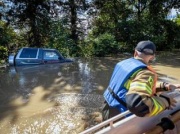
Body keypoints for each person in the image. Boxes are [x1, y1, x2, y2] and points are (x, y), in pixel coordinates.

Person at [102, 40, 180, 121]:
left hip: (107, 106)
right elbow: (139, 105)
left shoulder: (122, 64)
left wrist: (164, 86)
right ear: (153, 57)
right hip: (121, 114)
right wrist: (165, 102)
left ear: (135, 52)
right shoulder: (145, 72)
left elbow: (130, 85)